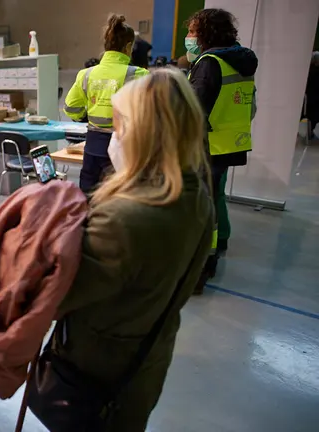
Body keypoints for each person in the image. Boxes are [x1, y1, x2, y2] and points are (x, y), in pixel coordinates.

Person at [53, 69, 213, 431]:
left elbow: (56, 298)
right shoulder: (194, 195)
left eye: (120, 125)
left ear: (144, 133)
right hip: (147, 356)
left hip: (99, 371)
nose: (114, 136)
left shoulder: (126, 216)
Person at [186, 8, 257, 289]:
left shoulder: (209, 62)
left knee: (203, 209)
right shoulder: (239, 60)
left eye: (192, 31)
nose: (189, 37)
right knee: (215, 198)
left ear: (206, 33)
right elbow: (251, 106)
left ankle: (203, 266)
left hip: (207, 144)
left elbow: (192, 109)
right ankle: (218, 246)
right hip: (229, 142)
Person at [63, 14, 149, 193]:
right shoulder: (139, 75)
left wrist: (84, 117)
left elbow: (71, 108)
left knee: (88, 196)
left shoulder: (86, 74)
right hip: (123, 147)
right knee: (118, 199)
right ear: (128, 46)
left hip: (93, 146)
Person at [306, 52, 319, 140]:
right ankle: (310, 132)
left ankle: (309, 132)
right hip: (314, 101)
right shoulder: (315, 72)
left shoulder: (308, 71)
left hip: (309, 101)